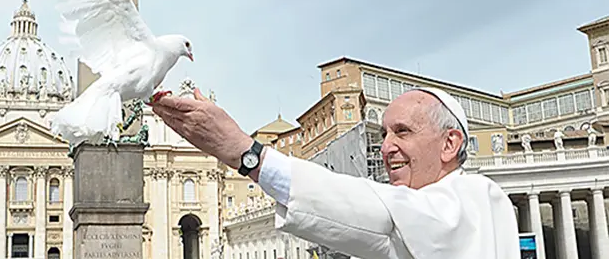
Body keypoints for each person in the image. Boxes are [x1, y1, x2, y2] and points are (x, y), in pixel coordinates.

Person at [151, 86, 520, 258]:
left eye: (403, 131)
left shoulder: (478, 199)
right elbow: (367, 223)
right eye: (384, 133)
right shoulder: (411, 228)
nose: (387, 146)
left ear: (449, 144)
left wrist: (246, 154)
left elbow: (380, 211)